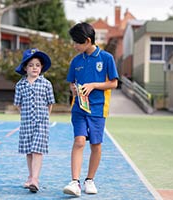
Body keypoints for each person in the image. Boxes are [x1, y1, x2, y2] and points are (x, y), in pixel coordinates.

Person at [63, 22, 119, 197]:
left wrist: (94, 85)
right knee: (79, 141)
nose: (74, 46)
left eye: (77, 42)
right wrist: (73, 89)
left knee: (96, 144)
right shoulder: (76, 60)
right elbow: (72, 82)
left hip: (98, 109)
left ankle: (89, 180)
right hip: (79, 108)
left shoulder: (107, 58)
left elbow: (114, 83)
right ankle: (75, 182)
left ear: (87, 40)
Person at [14, 48, 55, 193]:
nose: (34, 68)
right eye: (31, 65)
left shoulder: (46, 84)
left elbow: (50, 103)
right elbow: (18, 104)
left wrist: (44, 117)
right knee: (29, 151)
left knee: (37, 150)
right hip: (26, 123)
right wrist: (26, 115)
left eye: (37, 65)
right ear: (25, 68)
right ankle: (30, 176)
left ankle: (35, 180)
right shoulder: (20, 85)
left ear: (41, 67)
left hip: (41, 123)